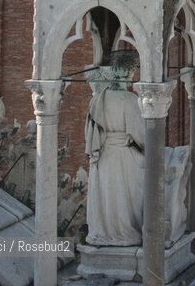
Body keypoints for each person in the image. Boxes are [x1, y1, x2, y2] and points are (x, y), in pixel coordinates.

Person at [85, 49, 145, 246]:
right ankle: (125, 232)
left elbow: (90, 131)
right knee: (127, 195)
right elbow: (142, 136)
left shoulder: (98, 99)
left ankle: (103, 232)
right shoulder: (130, 100)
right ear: (129, 72)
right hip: (125, 156)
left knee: (106, 195)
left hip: (103, 154)